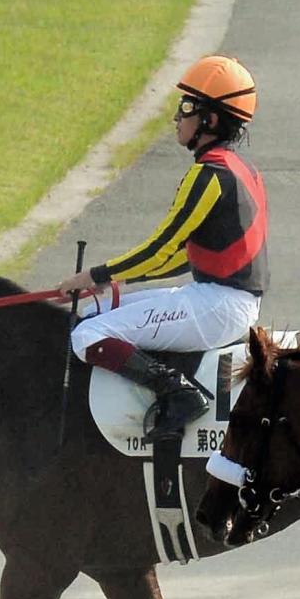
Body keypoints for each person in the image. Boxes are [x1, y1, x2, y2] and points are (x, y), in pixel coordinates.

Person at [58, 55, 267, 442]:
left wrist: (96, 275)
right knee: (93, 311)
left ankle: (178, 391)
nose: (176, 117)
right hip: (217, 299)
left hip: (218, 306)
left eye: (187, 108)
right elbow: (176, 258)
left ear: (211, 120)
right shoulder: (242, 169)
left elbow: (160, 249)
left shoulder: (208, 176)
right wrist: (106, 287)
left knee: (85, 335)